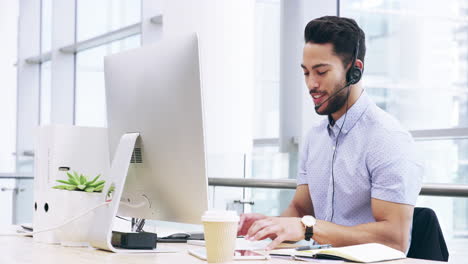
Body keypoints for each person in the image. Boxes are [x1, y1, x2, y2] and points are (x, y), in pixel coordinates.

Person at [238, 16, 423, 253]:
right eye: (306, 73)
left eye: (321, 72)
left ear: (355, 71)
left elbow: (394, 239)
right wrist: (270, 225)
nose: (311, 84)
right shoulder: (315, 138)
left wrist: (309, 229)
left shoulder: (388, 139)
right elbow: (300, 210)